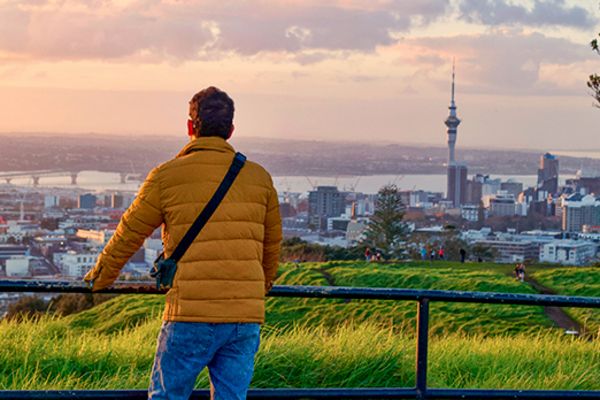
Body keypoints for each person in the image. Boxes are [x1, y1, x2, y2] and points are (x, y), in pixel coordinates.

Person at [83, 87, 282, 400]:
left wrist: (100, 278)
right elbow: (271, 246)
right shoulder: (259, 178)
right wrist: (262, 286)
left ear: (190, 127)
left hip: (190, 311)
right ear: (230, 131)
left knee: (167, 396)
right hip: (244, 318)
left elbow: (129, 232)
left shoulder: (166, 176)